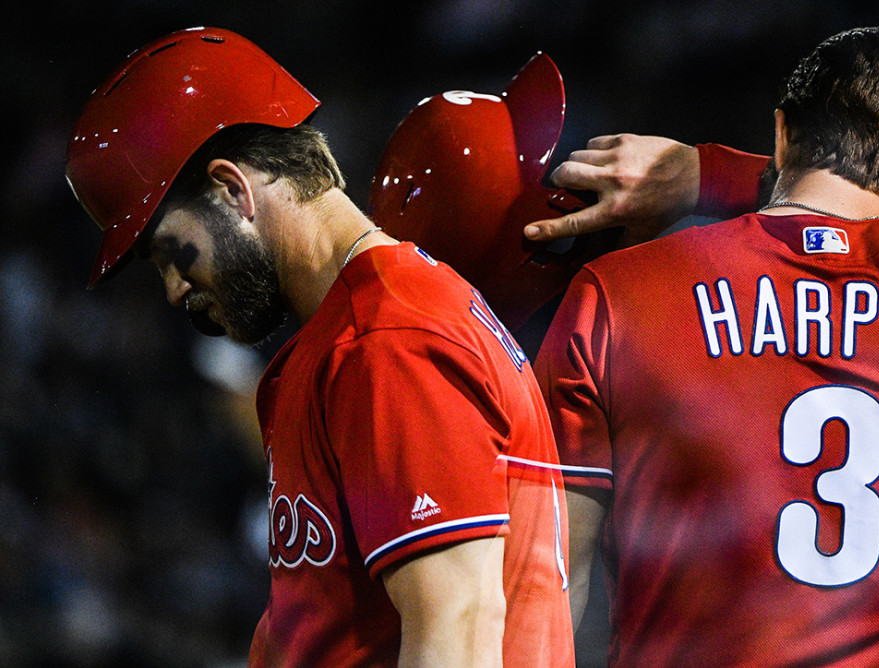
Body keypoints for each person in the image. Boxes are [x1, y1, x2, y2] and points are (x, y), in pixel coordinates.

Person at [65, 27, 572, 667]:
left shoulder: (390, 338)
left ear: (232, 190)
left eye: (168, 250)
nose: (172, 288)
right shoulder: (347, 339)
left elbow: (458, 627)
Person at [534, 26, 879, 667]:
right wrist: (705, 174)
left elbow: (549, 573)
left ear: (780, 133)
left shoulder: (622, 291)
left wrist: (696, 173)